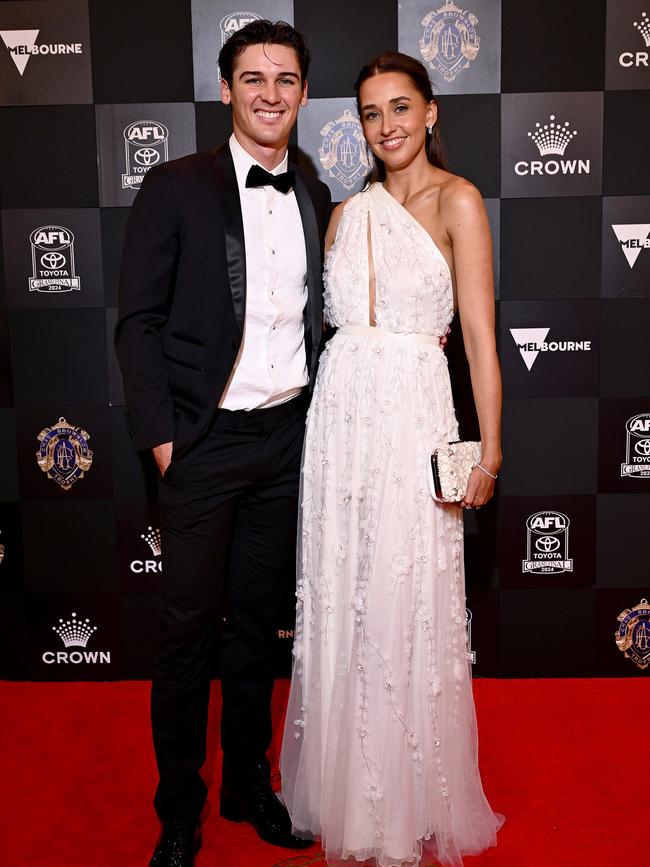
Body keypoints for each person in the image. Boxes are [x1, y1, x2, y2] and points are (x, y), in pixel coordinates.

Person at [115, 20, 331, 867]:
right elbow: (138, 325)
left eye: (285, 79)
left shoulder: (312, 190)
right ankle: (179, 811)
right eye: (253, 78)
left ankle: (248, 784)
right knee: (184, 637)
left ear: (305, 94)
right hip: (202, 446)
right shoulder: (174, 188)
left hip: (285, 440)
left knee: (257, 632)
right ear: (227, 89)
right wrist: (166, 443)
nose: (270, 93)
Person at [281, 51, 504, 867]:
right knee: (344, 591)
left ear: (432, 111)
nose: (389, 126)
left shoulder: (460, 203)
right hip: (341, 426)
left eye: (402, 107)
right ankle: (344, 792)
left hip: (415, 413)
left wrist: (490, 446)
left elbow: (479, 340)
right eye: (373, 113)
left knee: (406, 592)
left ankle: (403, 797)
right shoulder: (346, 213)